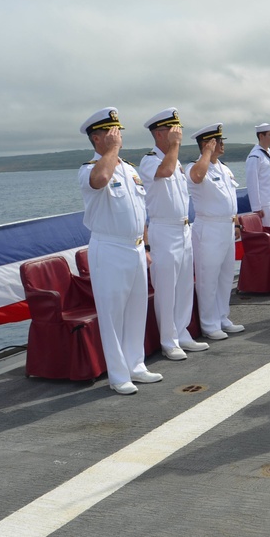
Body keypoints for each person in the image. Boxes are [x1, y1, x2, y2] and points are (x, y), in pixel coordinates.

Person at [77, 107, 163, 395]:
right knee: (113, 314)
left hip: (136, 248)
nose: (119, 137)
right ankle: (118, 375)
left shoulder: (129, 169)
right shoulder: (89, 169)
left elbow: (142, 211)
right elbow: (100, 181)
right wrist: (111, 152)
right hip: (109, 248)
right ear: (97, 138)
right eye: (112, 133)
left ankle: (136, 365)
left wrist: (147, 246)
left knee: (137, 310)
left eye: (119, 132)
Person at [139, 107, 209, 361]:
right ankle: (168, 341)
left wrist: (174, 149)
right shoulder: (150, 160)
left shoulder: (175, 159)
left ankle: (183, 332)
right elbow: (164, 172)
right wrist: (175, 146)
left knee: (183, 286)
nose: (177, 134)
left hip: (183, 228)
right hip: (163, 230)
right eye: (172, 130)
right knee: (166, 287)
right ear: (159, 134)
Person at [186, 123, 246, 341]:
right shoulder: (195, 167)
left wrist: (237, 224)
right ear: (207, 144)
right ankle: (209, 324)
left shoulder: (224, 168)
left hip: (227, 227)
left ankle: (222, 317)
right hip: (209, 227)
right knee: (208, 278)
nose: (222, 145)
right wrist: (207, 154)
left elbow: (231, 200)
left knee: (225, 275)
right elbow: (196, 178)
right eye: (217, 141)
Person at [245, 123, 270, 227]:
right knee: (266, 236)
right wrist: (256, 207)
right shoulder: (255, 156)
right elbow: (252, 182)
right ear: (261, 136)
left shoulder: (269, 155)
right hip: (264, 205)